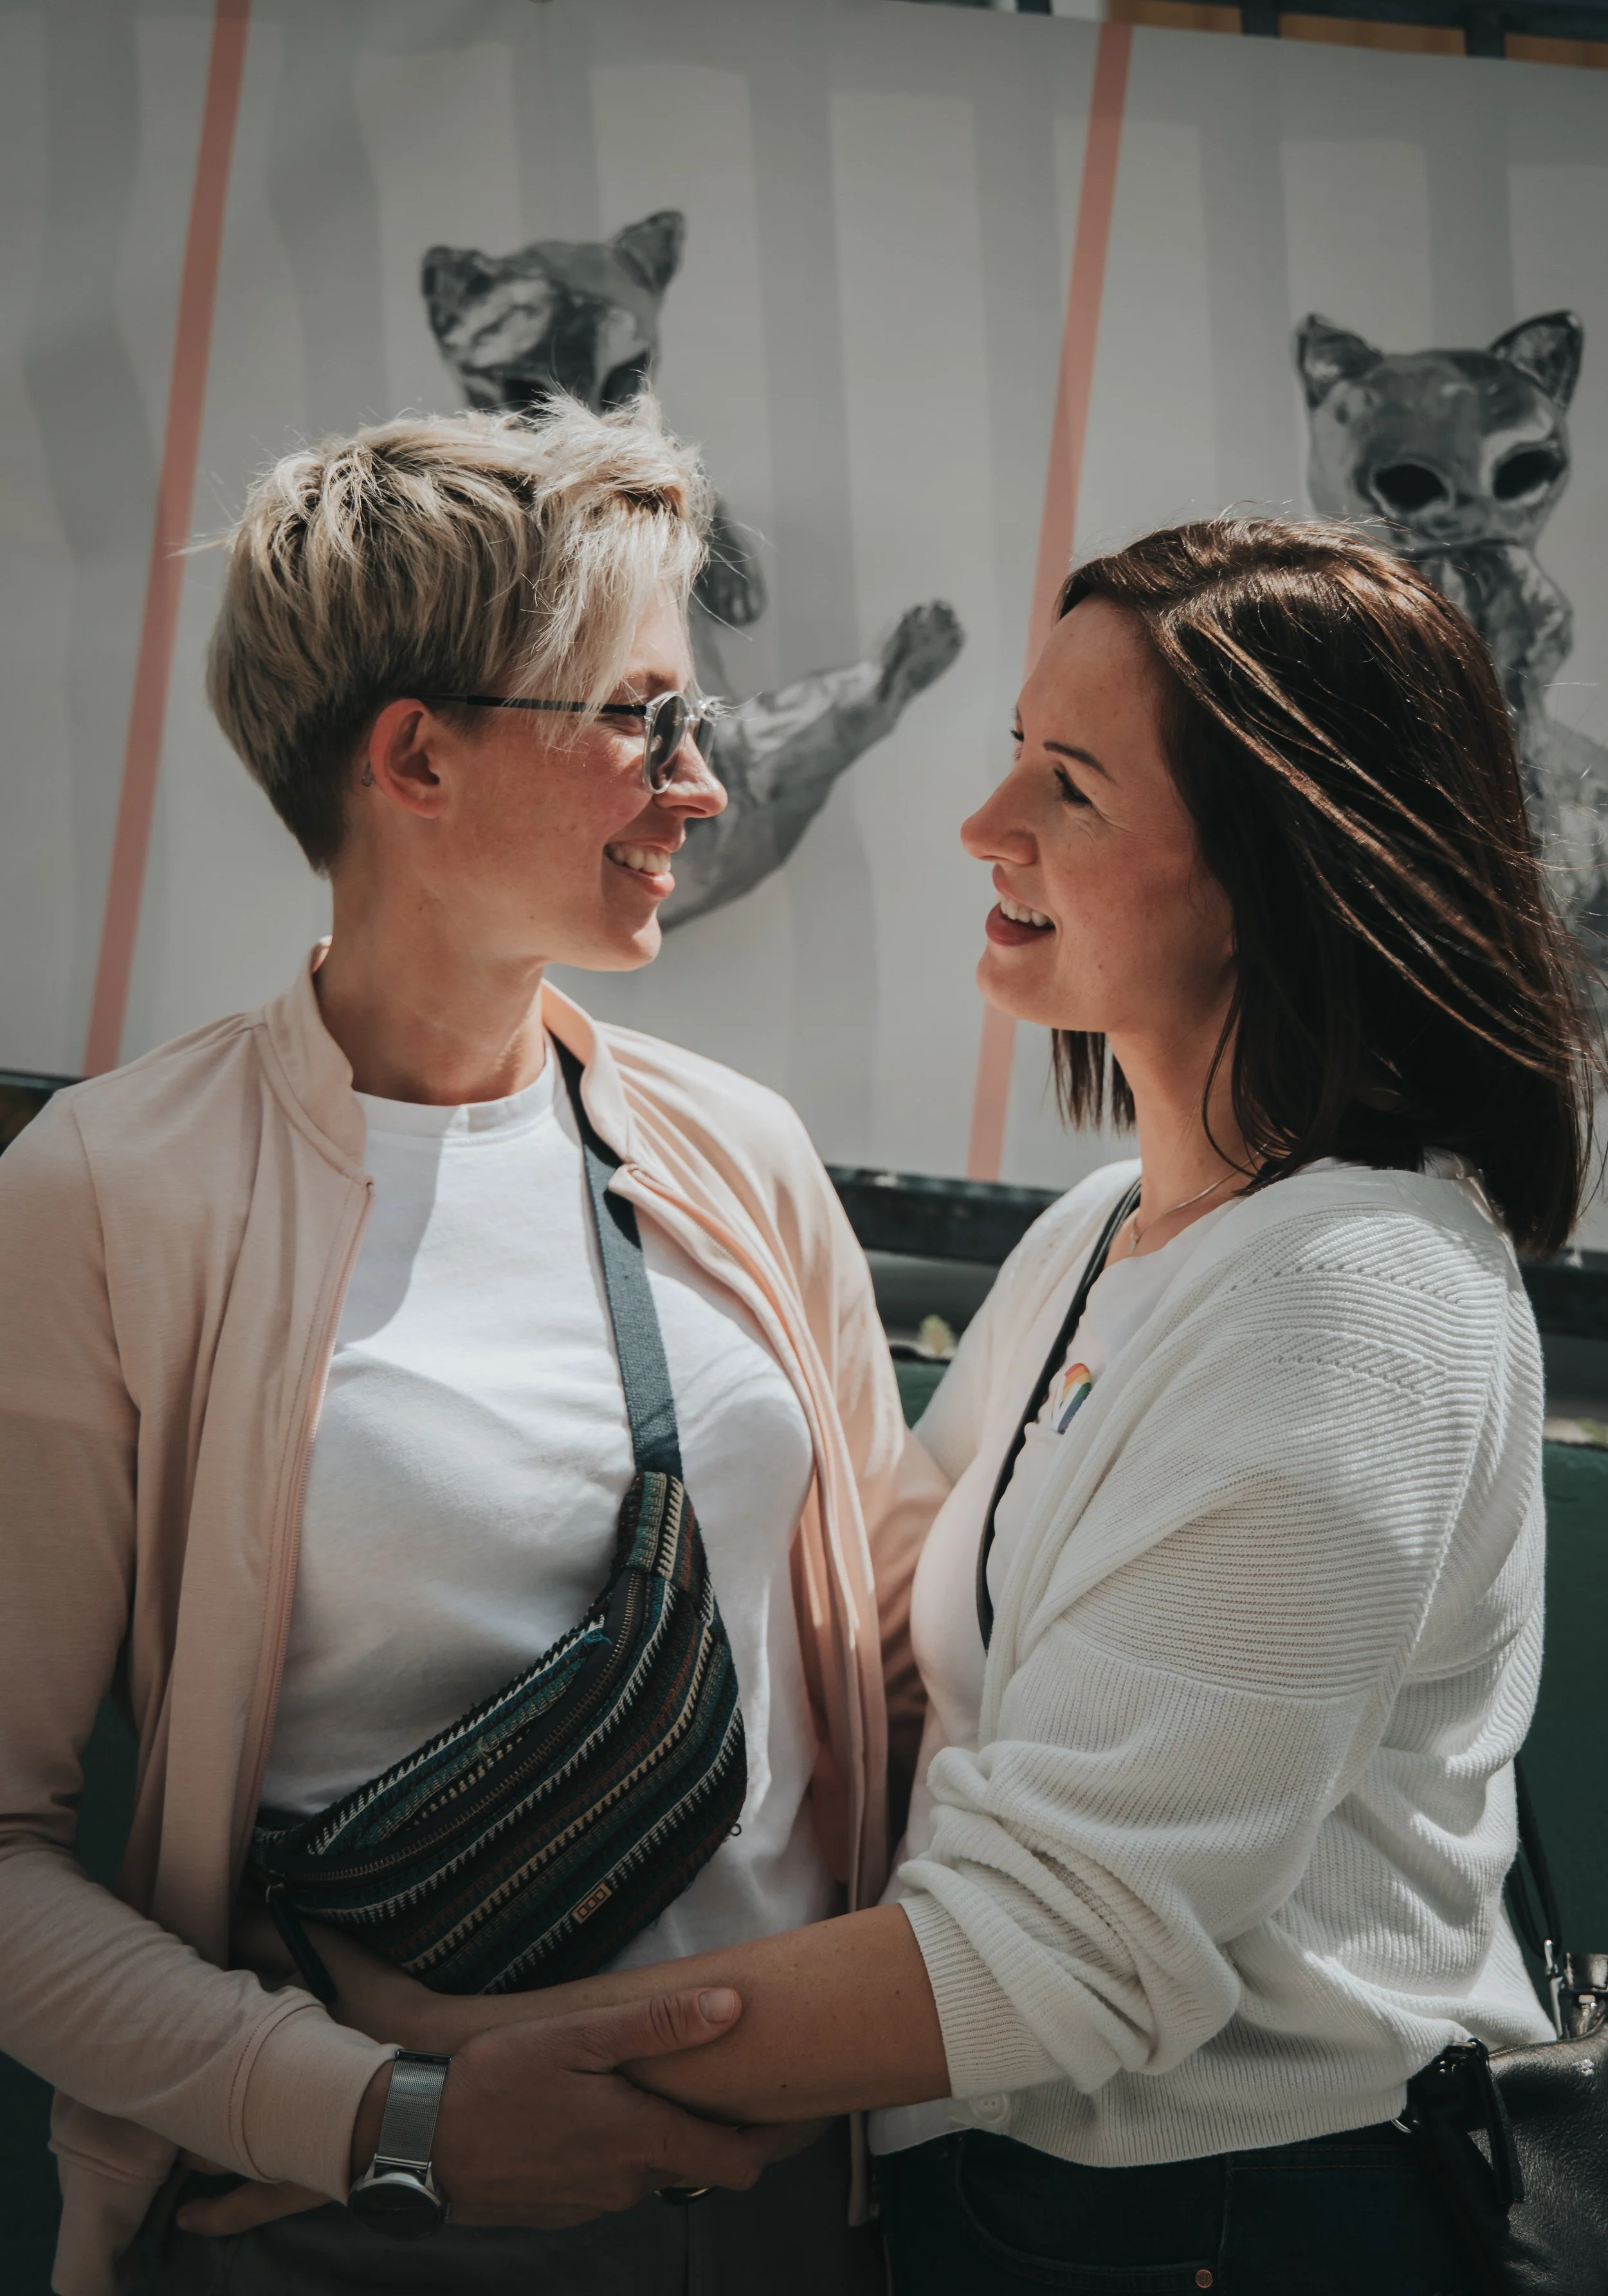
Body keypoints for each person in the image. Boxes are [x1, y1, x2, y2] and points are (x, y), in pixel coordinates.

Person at [214, 517, 1600, 2296]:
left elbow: (1068, 1949)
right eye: (1017, 748)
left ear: (1284, 867)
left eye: (1071, 786)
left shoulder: (1355, 1291)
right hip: (1024, 2212)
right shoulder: (1110, 1232)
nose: (984, 822)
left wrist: (438, 2063)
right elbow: (887, 1643)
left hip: (1234, 2224)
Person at [0, 397, 944, 2296]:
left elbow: (911, 1687)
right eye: (641, 717)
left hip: (782, 2220)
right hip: (368, 2231)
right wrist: (384, 2119)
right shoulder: (112, 1187)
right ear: (414, 755)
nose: (699, 786)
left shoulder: (740, 1153)